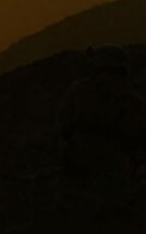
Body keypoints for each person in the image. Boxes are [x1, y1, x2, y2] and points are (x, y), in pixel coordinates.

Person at [58, 44, 146, 184]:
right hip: (116, 164)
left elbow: (64, 126)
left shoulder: (77, 90)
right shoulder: (131, 96)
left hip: (77, 158)